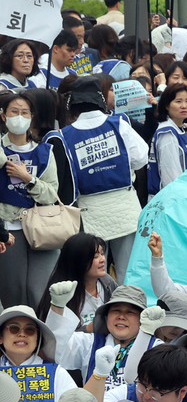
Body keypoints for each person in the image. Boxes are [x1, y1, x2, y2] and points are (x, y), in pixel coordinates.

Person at [52, 77, 147, 283]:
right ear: (101, 100)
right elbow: (141, 158)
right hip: (124, 206)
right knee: (127, 271)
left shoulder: (64, 135)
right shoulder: (119, 123)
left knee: (92, 272)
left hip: (89, 210)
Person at [0, 89, 63, 309]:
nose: (19, 117)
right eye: (14, 112)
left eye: (25, 112)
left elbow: (52, 195)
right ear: (3, 116)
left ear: (32, 117)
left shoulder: (45, 152)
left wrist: (28, 178)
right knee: (12, 291)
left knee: (41, 291)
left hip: (42, 227)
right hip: (8, 229)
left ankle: (43, 337)